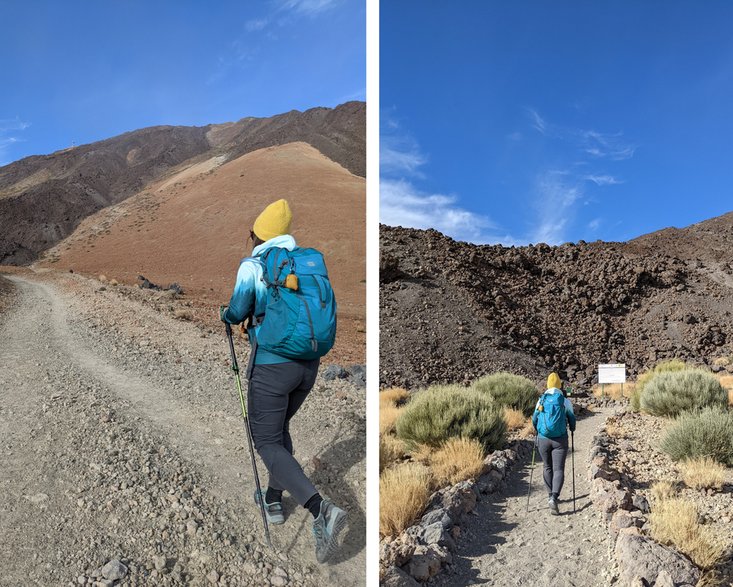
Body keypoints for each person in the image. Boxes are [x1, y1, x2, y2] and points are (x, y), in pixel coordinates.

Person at [219, 198, 346, 563]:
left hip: (273, 364)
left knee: (266, 439)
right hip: (308, 364)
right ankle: (274, 499)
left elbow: (239, 308)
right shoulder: (308, 261)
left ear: (258, 234)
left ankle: (321, 508)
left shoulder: (255, 264)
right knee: (280, 430)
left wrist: (226, 315)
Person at [531, 372, 576, 515]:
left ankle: (550, 495)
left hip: (543, 439)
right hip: (560, 439)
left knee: (547, 466)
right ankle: (554, 497)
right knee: (559, 469)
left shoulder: (542, 400)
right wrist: (572, 428)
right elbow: (572, 418)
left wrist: (537, 431)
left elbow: (534, 419)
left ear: (548, 385)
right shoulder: (564, 400)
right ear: (559, 385)